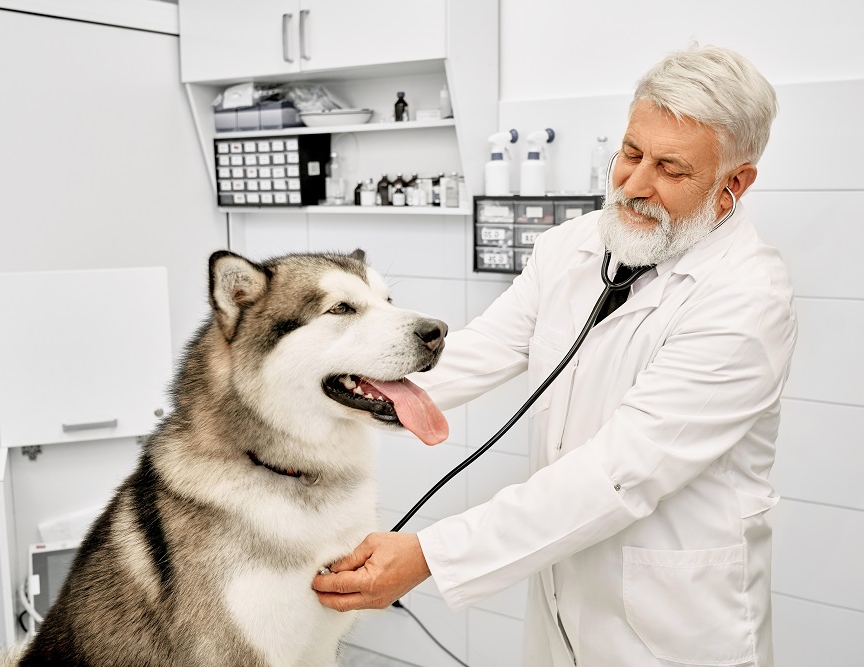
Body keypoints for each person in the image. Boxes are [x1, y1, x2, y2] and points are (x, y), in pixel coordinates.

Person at [313, 44, 797, 667]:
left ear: (734, 183)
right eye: (629, 153)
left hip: (674, 622)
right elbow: (479, 352)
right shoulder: (572, 247)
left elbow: (616, 474)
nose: (634, 185)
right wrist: (339, 386)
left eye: (672, 170)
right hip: (566, 594)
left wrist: (429, 555)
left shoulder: (746, 302)